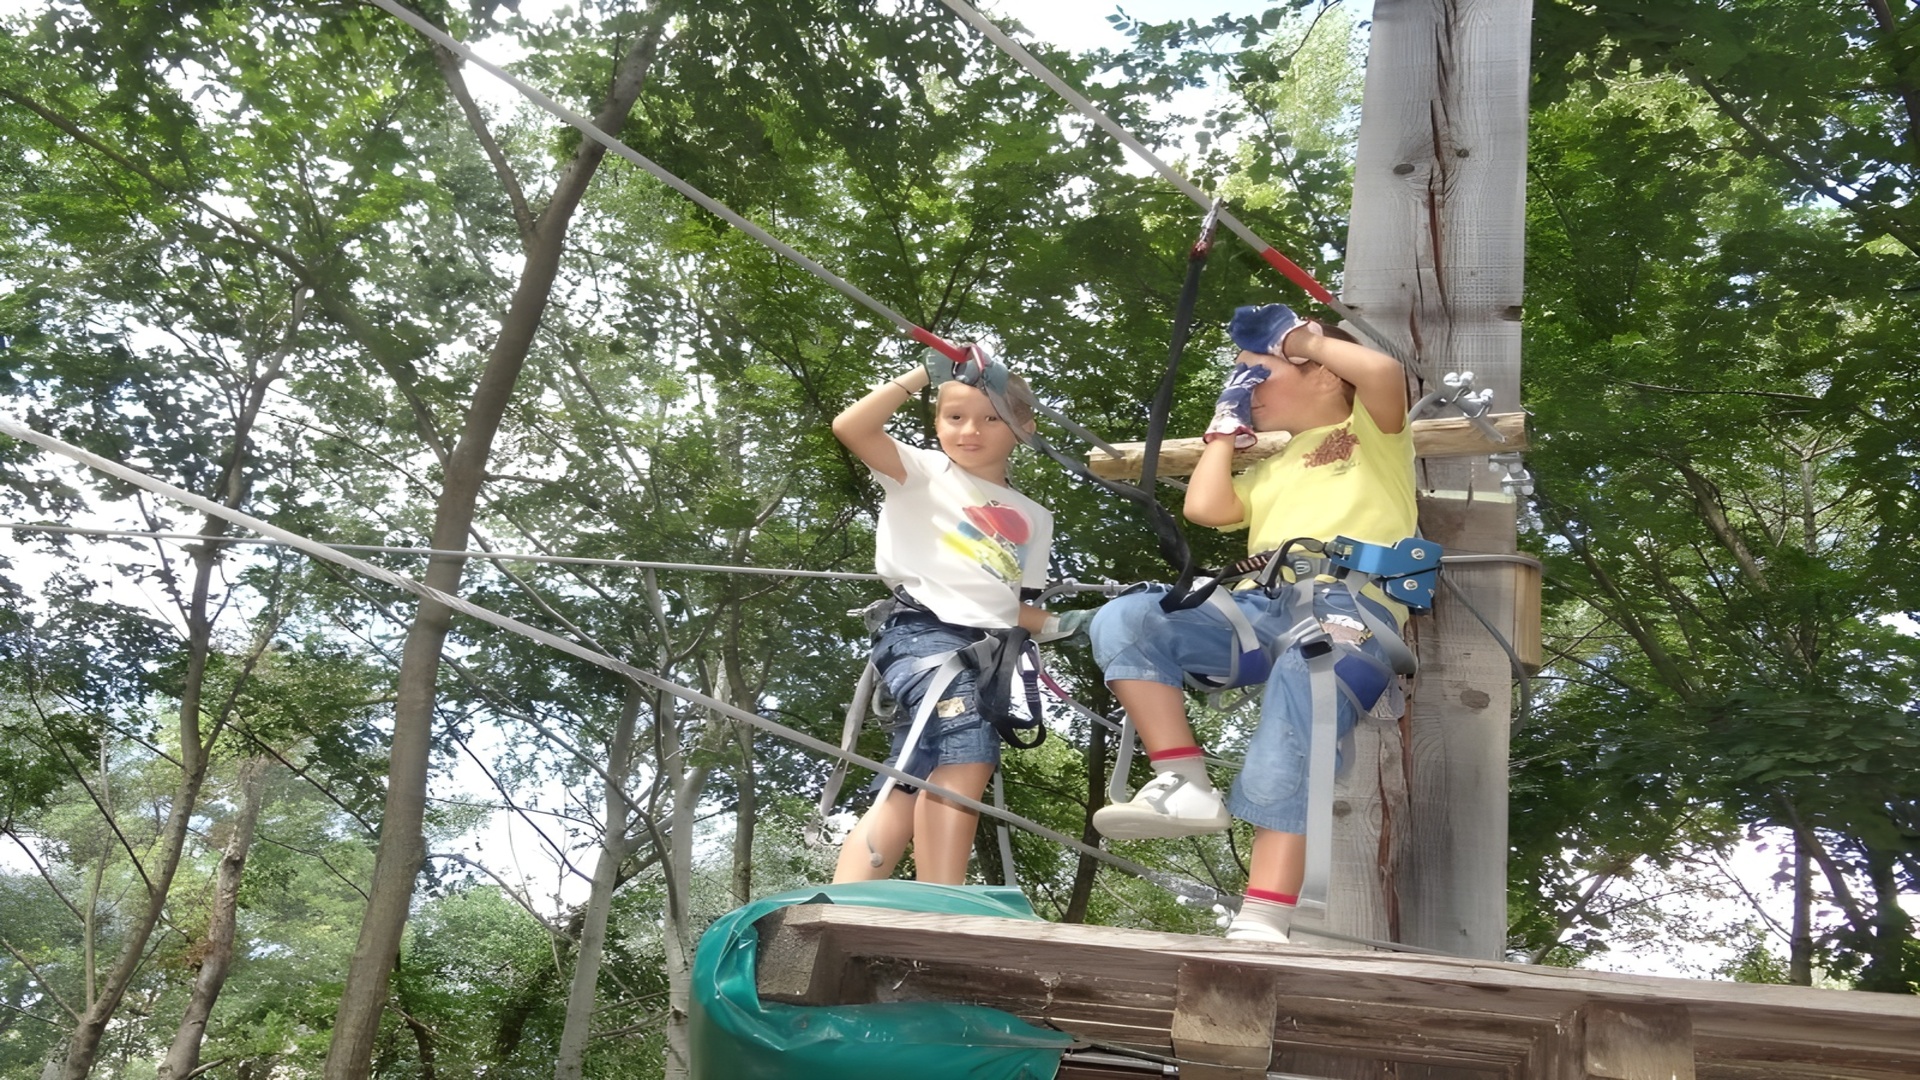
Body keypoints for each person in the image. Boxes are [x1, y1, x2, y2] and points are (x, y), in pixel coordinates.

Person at [1086, 303, 1417, 943]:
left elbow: (1380, 373)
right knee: (1128, 618)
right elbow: (1207, 506)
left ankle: (1265, 915)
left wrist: (1299, 337)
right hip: (1263, 608)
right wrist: (1221, 432)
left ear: (1321, 373)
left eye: (1255, 373)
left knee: (1303, 692)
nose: (1243, 386)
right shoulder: (1272, 465)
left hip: (1347, 611)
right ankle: (1183, 782)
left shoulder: (1369, 435)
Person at [830, 347, 1091, 885]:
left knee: (913, 768)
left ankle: (850, 894)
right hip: (919, 631)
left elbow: (1009, 604)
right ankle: (942, 897)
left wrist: (1070, 625)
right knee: (968, 741)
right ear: (937, 422)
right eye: (955, 417)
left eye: (991, 418)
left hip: (983, 648)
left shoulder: (1034, 518)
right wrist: (925, 373)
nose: (970, 430)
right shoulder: (922, 471)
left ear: (1024, 426)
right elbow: (852, 427)